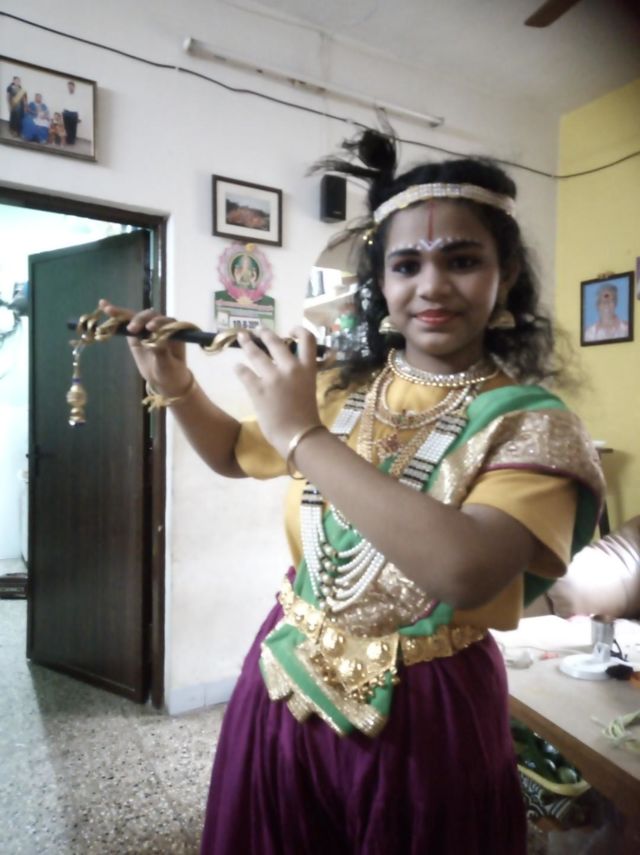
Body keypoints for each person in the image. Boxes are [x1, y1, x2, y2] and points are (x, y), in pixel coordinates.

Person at [101, 128, 604, 854]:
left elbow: (465, 570)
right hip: (283, 676)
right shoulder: (344, 388)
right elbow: (232, 453)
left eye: (462, 260)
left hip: (427, 711)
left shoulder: (533, 424)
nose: (431, 286)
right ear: (382, 284)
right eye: (406, 265)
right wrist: (176, 385)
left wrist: (305, 435)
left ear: (508, 273)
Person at [62, 80, 80, 145]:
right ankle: (67, 141)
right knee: (67, 128)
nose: (69, 88)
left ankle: (72, 142)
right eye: (68, 86)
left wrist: (79, 116)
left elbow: (80, 106)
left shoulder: (78, 96)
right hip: (66, 113)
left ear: (74, 87)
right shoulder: (65, 95)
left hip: (74, 114)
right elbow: (64, 103)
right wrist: (63, 112)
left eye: (71, 86)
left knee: (73, 128)